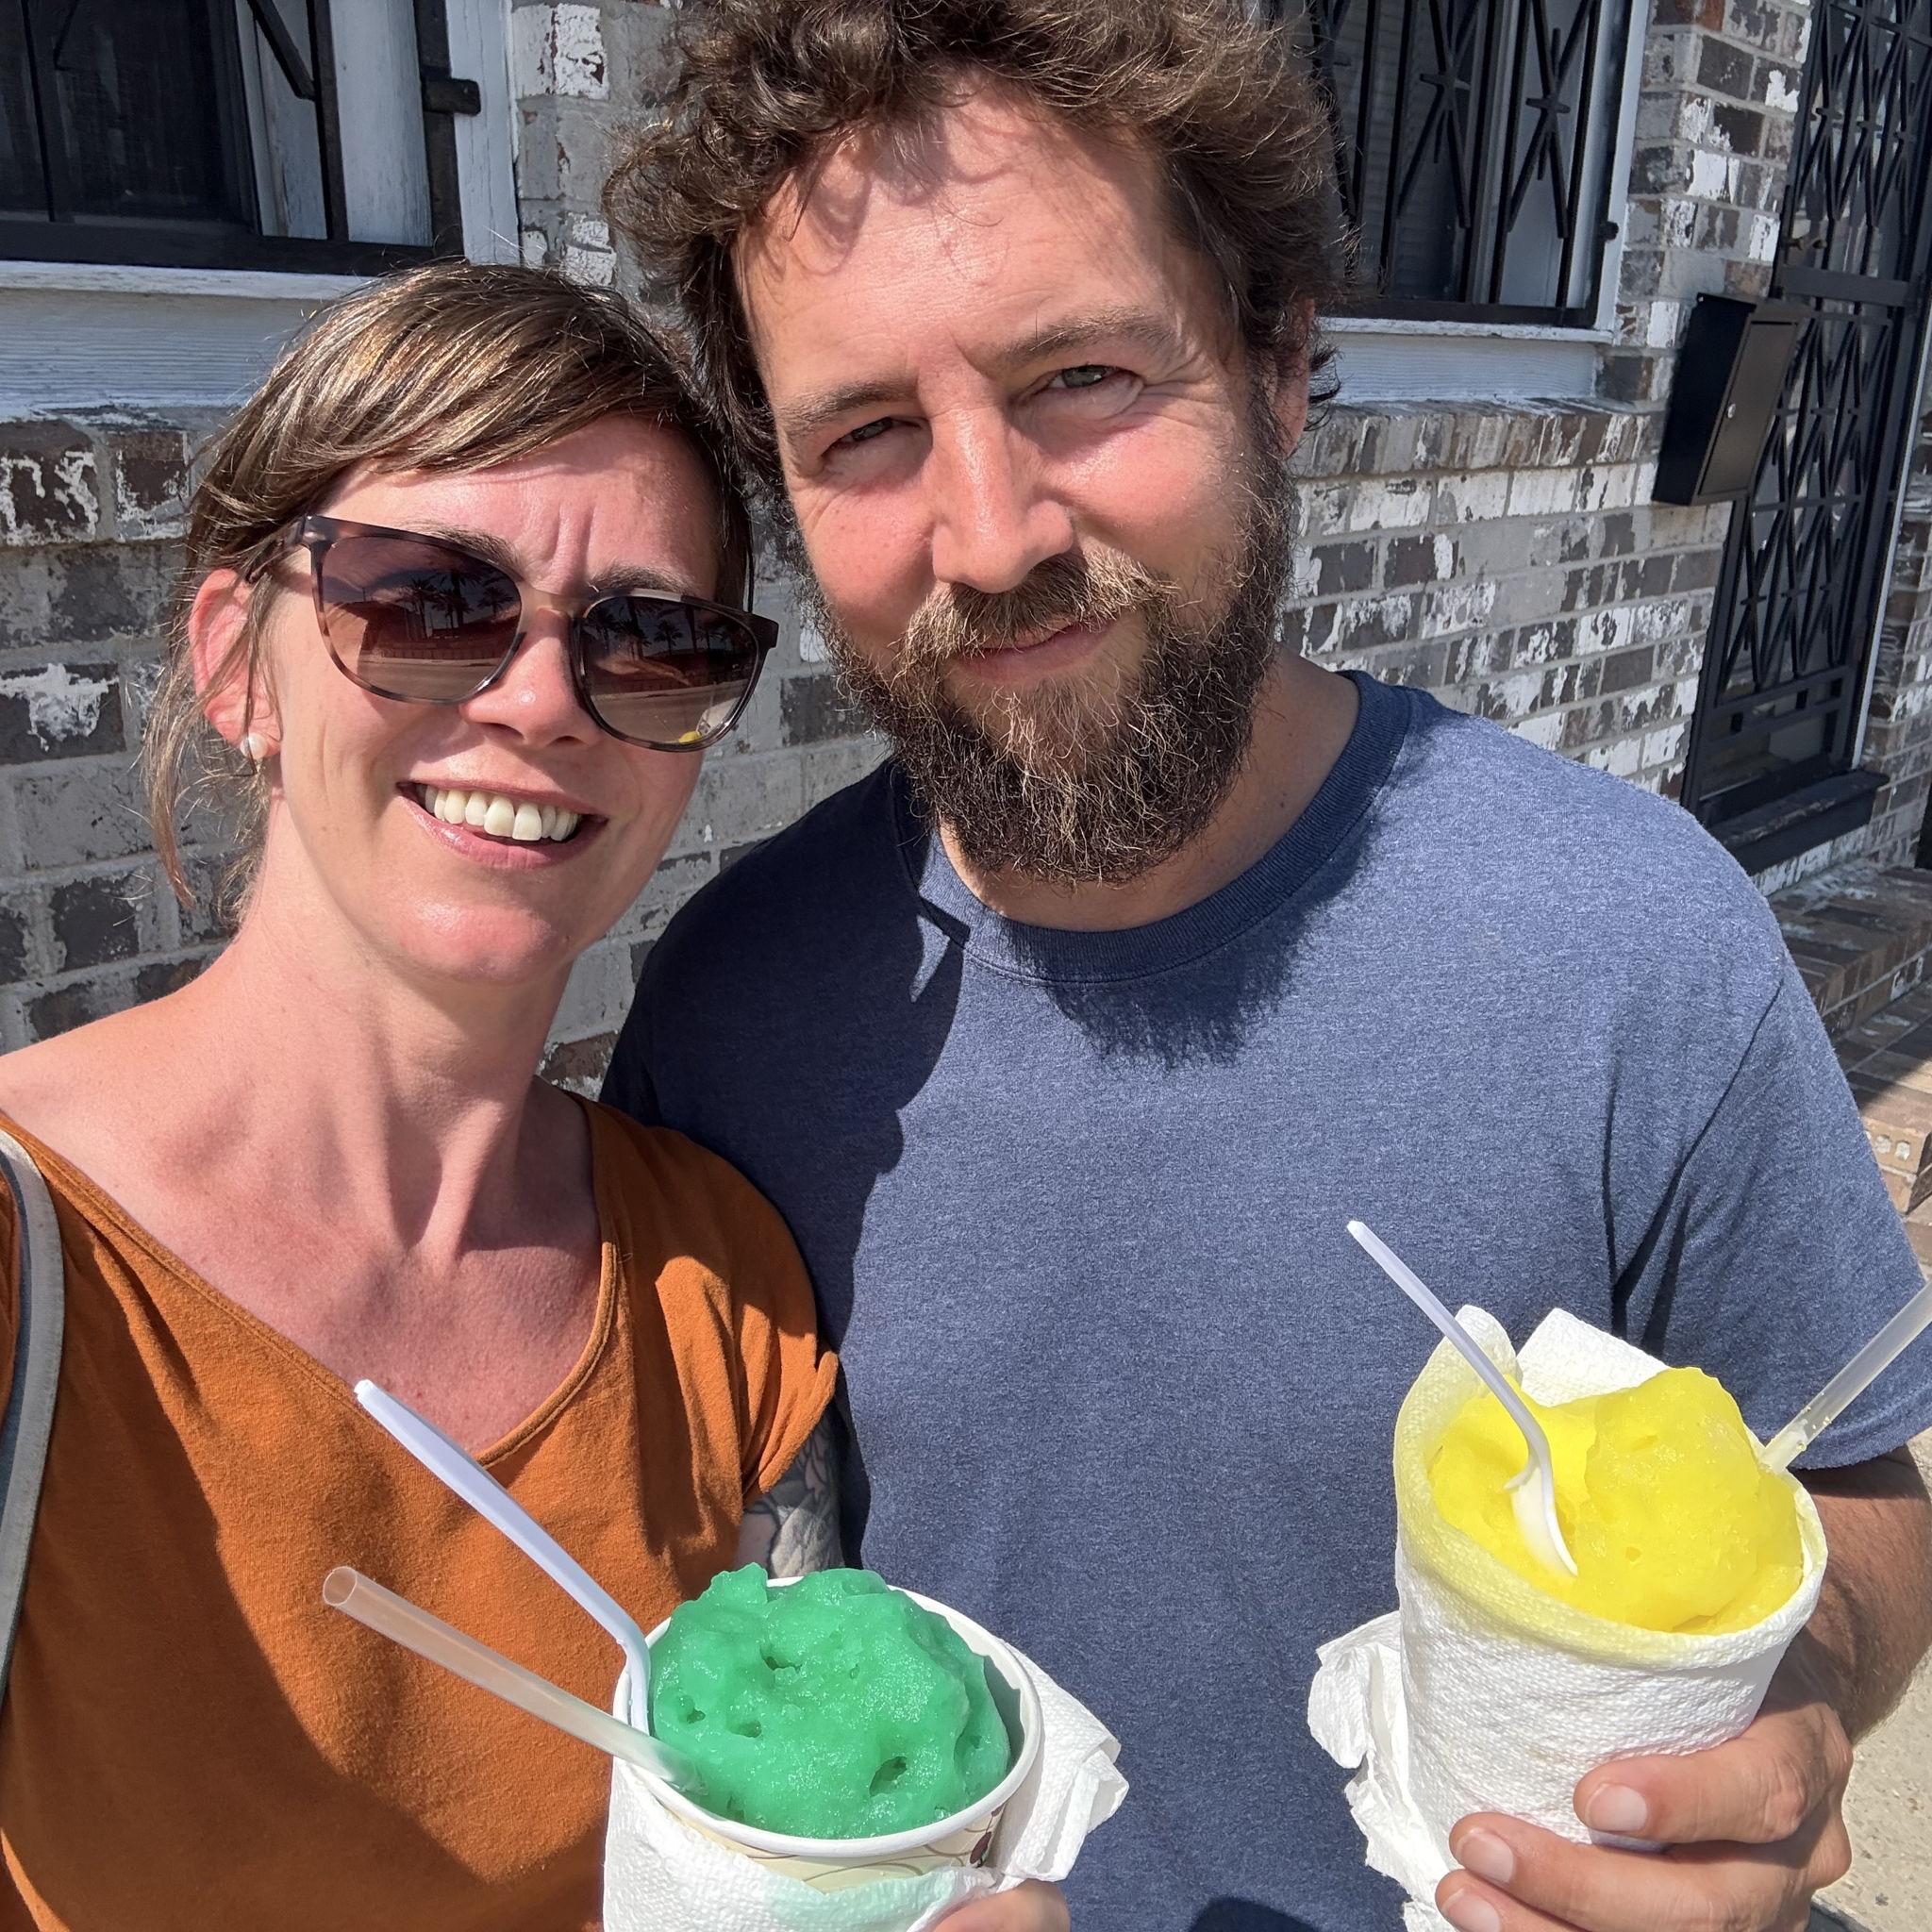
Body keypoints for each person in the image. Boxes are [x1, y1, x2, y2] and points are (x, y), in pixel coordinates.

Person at [599, 6, 1932, 1930]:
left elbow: (1863, 1495)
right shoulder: (731, 1010)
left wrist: (1776, 1729)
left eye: (1076, 377)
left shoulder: (1631, 940)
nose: (987, 537)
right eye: (869, 431)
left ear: (1281, 359)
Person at [0, 262, 1060, 1932]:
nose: (543, 700)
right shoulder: (34, 1268)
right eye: (429, 600)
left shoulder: (721, 1285)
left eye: (648, 642)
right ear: (236, 664)